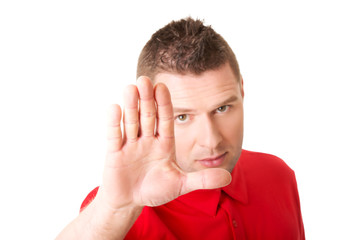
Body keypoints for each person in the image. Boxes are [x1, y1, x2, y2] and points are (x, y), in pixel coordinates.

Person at [56, 17, 305, 239]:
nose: (211, 141)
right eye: (183, 116)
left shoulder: (279, 175)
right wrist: (113, 210)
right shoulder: (117, 209)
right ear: (151, 114)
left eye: (222, 108)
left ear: (241, 91)